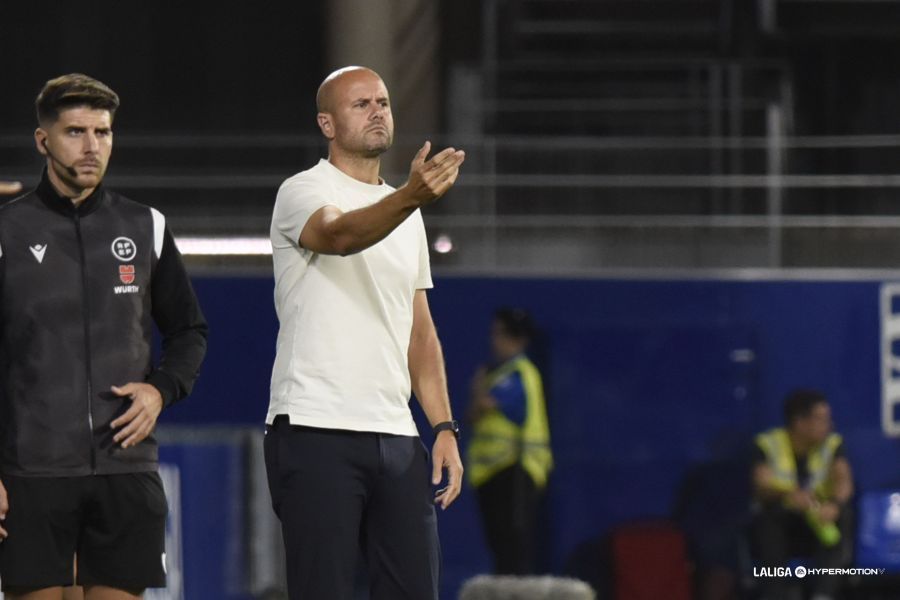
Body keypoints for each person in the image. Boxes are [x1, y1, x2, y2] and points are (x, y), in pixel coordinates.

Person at [0, 74, 208, 600]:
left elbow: (188, 331)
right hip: (31, 475)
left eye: (104, 132)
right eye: (76, 132)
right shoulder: (7, 231)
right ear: (43, 140)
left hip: (125, 469)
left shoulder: (146, 226)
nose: (93, 147)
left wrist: (161, 389)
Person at [264, 66, 465, 600]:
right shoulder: (302, 190)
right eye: (361, 104)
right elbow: (338, 235)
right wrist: (410, 198)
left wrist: (443, 425)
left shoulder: (408, 213)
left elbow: (419, 332)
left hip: (396, 436)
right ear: (326, 124)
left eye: (383, 101)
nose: (377, 110)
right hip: (314, 427)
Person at [467, 308, 553, 575]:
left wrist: (479, 388)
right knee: (502, 549)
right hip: (494, 473)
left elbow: (481, 407)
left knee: (513, 551)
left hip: (513, 470)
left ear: (517, 338)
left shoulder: (518, 373)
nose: (494, 340)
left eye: (500, 334)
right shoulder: (503, 373)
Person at [751, 389, 854, 600]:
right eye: (821, 419)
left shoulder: (832, 444)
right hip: (785, 526)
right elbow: (761, 484)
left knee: (843, 517)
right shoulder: (769, 443)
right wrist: (789, 494)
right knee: (769, 519)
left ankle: (823, 595)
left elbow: (844, 480)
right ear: (800, 422)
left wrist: (834, 505)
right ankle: (774, 594)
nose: (829, 425)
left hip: (817, 524)